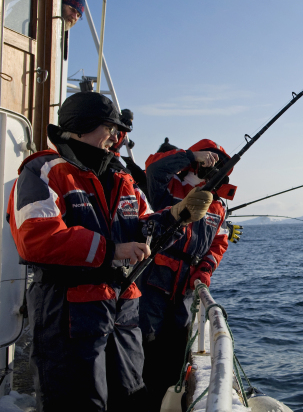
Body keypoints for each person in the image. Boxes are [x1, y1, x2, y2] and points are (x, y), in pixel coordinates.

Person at [6, 92, 213, 412]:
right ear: (81, 127)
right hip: (68, 315)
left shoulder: (122, 178)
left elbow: (143, 228)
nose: (116, 136)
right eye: (109, 127)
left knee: (132, 399)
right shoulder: (43, 171)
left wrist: (176, 217)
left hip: (123, 313)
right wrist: (111, 250)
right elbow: (36, 236)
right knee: (77, 402)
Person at [138, 139, 237, 409]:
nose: (214, 167)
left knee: (175, 355)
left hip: (185, 292)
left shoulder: (217, 206)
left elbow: (220, 242)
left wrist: (205, 270)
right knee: (145, 349)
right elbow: (154, 169)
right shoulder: (169, 187)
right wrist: (191, 154)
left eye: (220, 165)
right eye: (210, 160)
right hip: (152, 284)